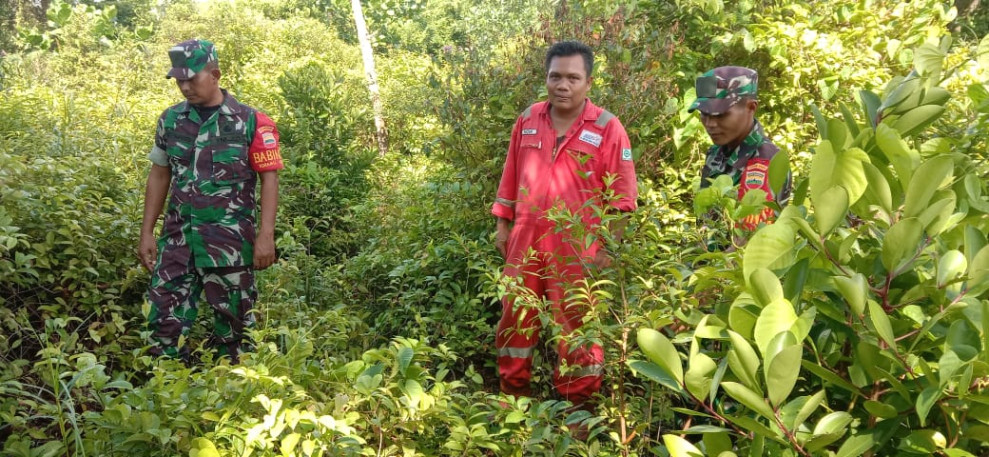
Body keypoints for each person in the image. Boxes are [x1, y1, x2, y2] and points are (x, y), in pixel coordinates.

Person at [491, 41, 638, 411]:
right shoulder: (528, 119)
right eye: (555, 76)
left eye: (573, 78)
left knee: (575, 323)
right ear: (546, 78)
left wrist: (606, 249)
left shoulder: (607, 128)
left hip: (576, 247)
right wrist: (502, 226)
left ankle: (578, 412)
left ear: (589, 82)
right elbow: (510, 175)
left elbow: (622, 198)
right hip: (524, 240)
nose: (562, 85)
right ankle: (513, 401)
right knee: (515, 317)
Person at [137, 39, 283, 363]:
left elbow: (269, 179)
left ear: (215, 75)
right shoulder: (170, 120)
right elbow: (159, 175)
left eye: (192, 79)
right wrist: (147, 232)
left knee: (236, 330)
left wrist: (266, 235)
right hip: (178, 241)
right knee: (162, 323)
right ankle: (168, 385)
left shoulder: (251, 122)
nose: (185, 87)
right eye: (179, 80)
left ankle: (232, 387)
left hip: (230, 244)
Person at [689, 66, 791, 233]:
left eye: (720, 115)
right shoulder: (717, 152)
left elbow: (747, 239)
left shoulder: (766, 161)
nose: (710, 124)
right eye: (704, 114)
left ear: (751, 108)